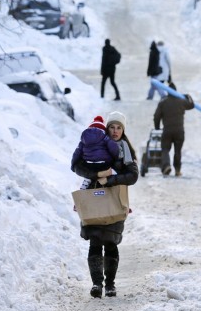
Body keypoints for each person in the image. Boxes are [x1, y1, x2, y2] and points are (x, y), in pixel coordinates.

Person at [72, 111, 139, 299]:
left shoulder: (123, 148)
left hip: (115, 199)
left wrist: (111, 180)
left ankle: (110, 285)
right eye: (112, 127)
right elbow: (76, 166)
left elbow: (133, 176)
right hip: (93, 198)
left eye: (119, 128)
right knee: (94, 241)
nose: (115, 131)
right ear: (106, 128)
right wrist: (95, 175)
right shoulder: (93, 144)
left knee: (110, 242)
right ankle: (96, 285)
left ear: (123, 130)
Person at [153, 82, 194, 176]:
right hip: (179, 131)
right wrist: (188, 96)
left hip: (167, 131)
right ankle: (177, 170)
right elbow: (191, 105)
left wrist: (157, 127)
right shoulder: (181, 101)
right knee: (178, 151)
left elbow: (156, 116)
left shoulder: (163, 102)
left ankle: (166, 166)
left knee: (165, 149)